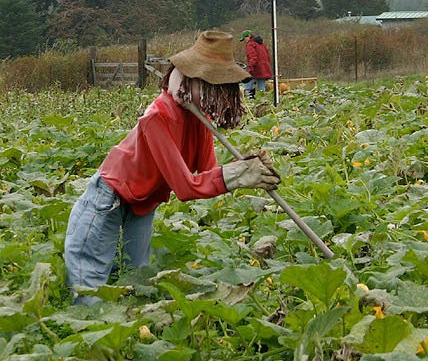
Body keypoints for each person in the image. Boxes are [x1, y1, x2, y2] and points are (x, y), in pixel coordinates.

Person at [64, 29, 279, 294]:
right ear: (191, 80)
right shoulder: (158, 116)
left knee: (137, 278)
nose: (221, 94)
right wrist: (237, 176)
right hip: (108, 199)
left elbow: (209, 174)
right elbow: (187, 188)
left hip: (144, 203)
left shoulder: (199, 119)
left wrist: (245, 166)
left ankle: (136, 332)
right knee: (89, 282)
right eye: (213, 84)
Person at [242, 32, 273, 98]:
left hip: (256, 69)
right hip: (264, 69)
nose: (245, 41)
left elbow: (253, 58)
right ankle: (263, 103)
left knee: (247, 86)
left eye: (245, 38)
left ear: (249, 36)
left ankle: (248, 102)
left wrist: (249, 69)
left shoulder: (250, 44)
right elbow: (268, 57)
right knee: (261, 89)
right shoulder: (261, 44)